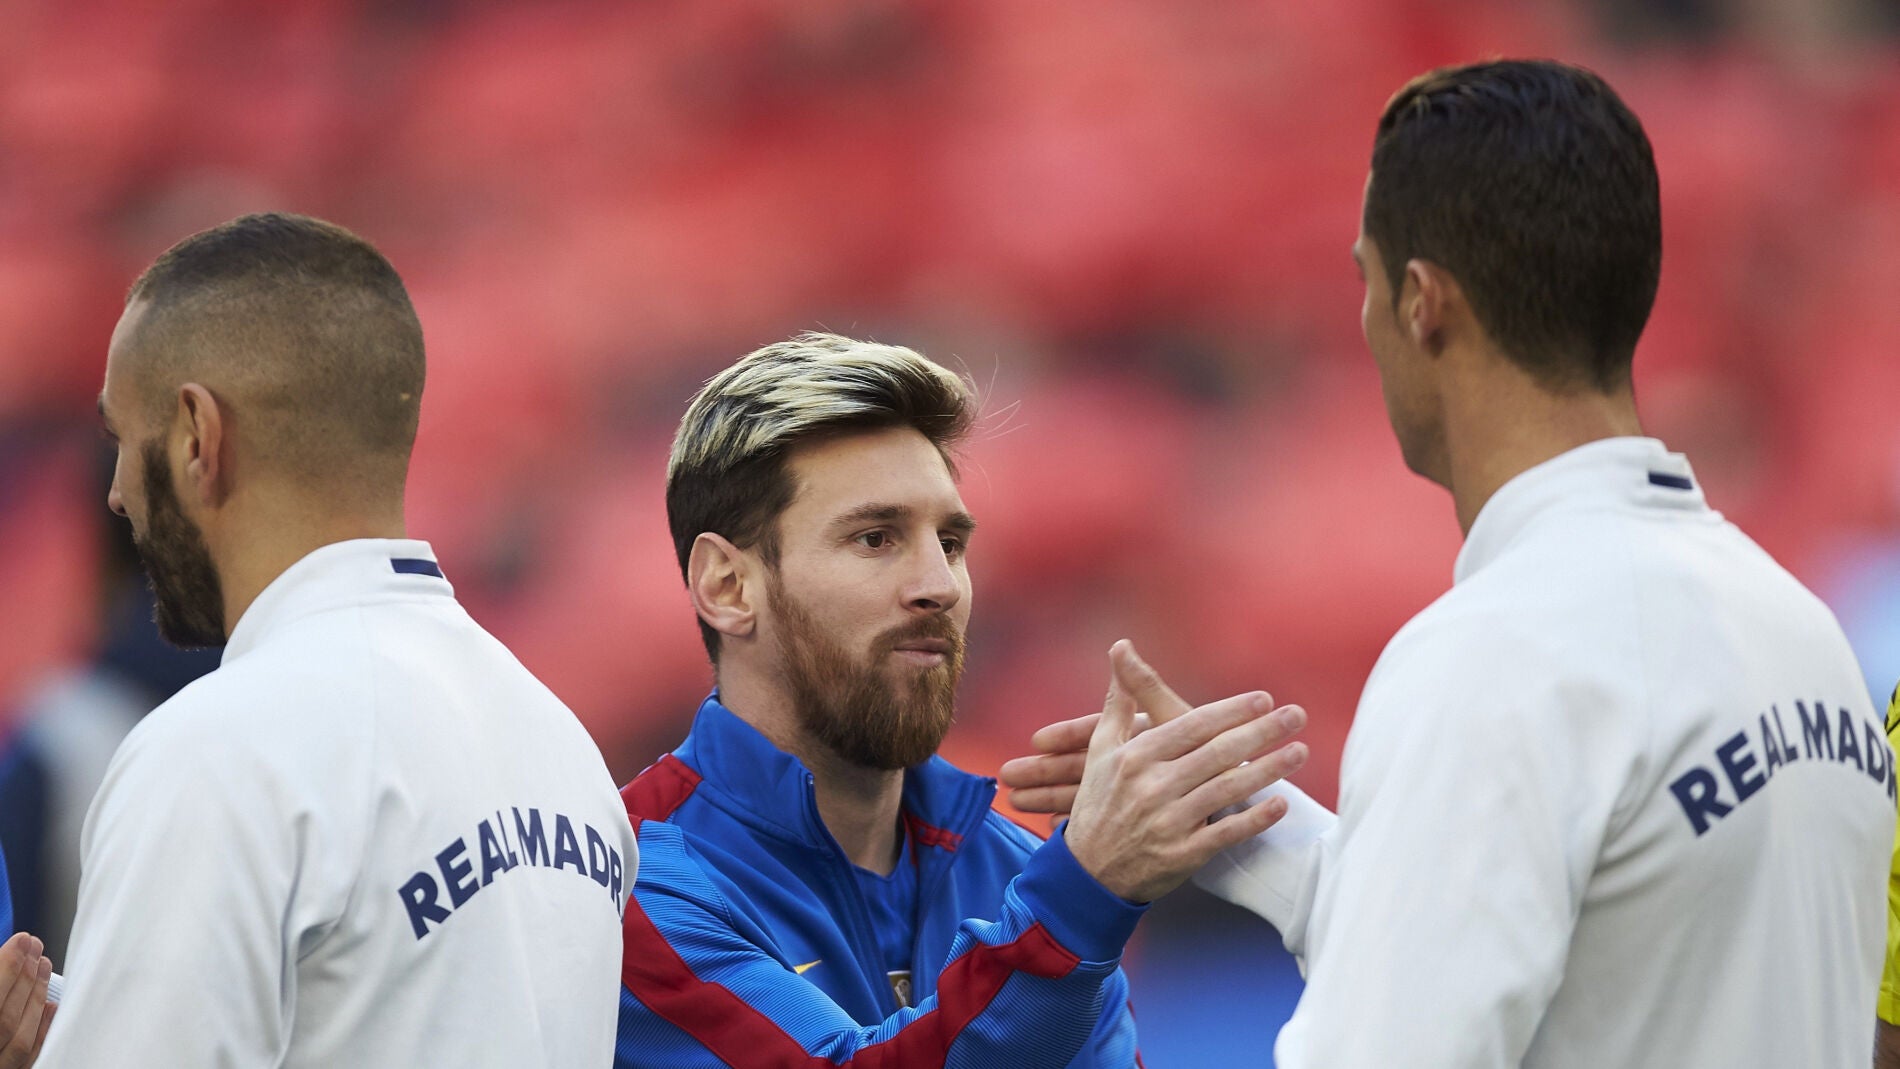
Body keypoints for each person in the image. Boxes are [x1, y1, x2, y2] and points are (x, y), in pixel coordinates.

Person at [1003, 59, 1893, 1068]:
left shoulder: (1492, 658)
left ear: (1422, 303)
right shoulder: (1805, 634)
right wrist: (1256, 829)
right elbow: (1623, 961)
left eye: (1364, 280)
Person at [614, 332, 1309, 1067]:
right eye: (876, 537)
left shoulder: (1017, 868)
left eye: (949, 542)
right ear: (727, 586)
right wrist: (1080, 902)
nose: (939, 585)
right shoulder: (634, 883)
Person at [43, 212, 638, 1067]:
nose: (117, 492)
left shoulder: (216, 752)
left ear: (197, 435)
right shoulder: (565, 746)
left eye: (124, 440)